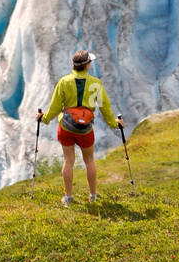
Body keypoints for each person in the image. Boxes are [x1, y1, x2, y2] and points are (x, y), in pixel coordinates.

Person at [36, 49, 122, 205]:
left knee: (68, 160)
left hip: (66, 127)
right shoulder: (96, 83)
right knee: (89, 160)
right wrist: (114, 124)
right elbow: (105, 108)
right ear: (87, 65)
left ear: (74, 65)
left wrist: (44, 118)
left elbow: (55, 107)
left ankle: (68, 197)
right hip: (85, 129)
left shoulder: (64, 82)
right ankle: (93, 196)